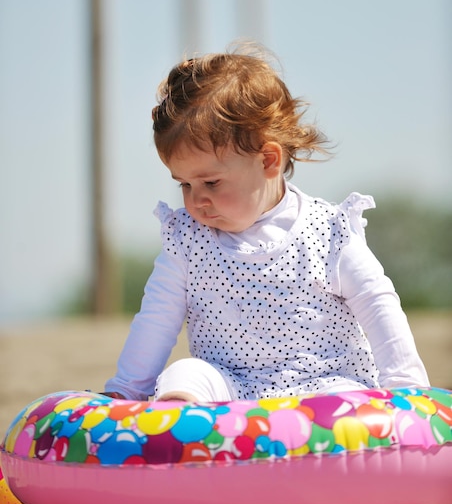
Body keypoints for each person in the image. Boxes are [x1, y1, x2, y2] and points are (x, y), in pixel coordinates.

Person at [104, 43, 429, 402]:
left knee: (347, 397)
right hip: (231, 386)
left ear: (268, 161)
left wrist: (407, 389)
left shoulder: (329, 231)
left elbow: (377, 303)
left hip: (325, 380)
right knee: (184, 374)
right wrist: (127, 392)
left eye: (211, 182)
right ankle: (182, 445)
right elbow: (157, 318)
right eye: (184, 184)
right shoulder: (187, 240)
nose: (196, 199)